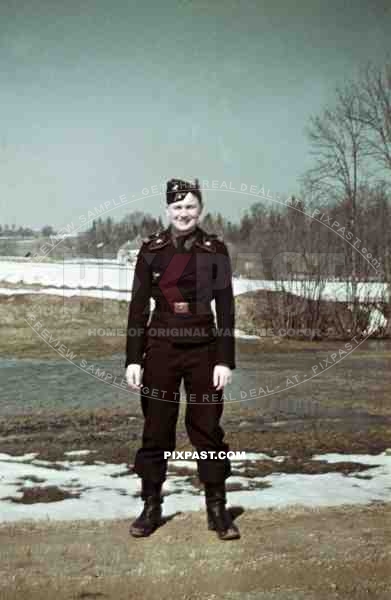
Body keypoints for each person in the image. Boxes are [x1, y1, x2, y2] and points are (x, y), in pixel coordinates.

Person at [125, 177, 240, 540]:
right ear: (168, 211)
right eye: (177, 207)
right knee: (156, 427)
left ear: (200, 209)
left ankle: (217, 508)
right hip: (160, 348)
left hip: (204, 349)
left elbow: (226, 306)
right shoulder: (151, 250)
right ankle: (150, 505)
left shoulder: (215, 250)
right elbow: (138, 308)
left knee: (207, 428)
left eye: (190, 206)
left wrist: (225, 359)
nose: (184, 213)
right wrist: (133, 359)